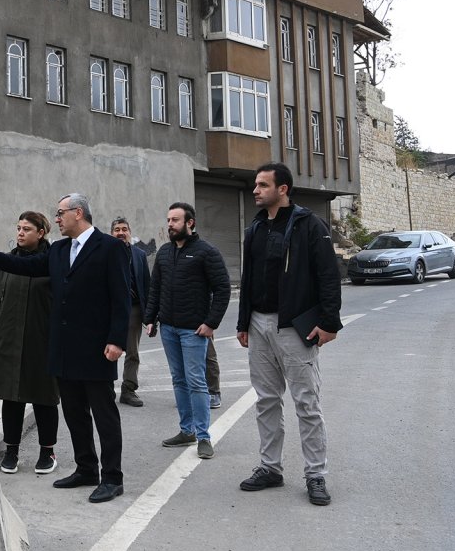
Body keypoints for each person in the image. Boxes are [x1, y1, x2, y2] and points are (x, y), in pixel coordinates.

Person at [0, 193, 130, 504]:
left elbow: (121, 297)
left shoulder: (110, 247)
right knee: (75, 413)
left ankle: (113, 477)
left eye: (61, 213)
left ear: (78, 213)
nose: (56, 219)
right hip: (63, 349)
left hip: (96, 348)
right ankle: (86, 468)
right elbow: (24, 266)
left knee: (104, 414)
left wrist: (117, 340)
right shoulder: (60, 250)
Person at [237, 162, 343, 506]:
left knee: (306, 404)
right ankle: (271, 468)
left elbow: (329, 275)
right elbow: (248, 278)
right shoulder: (254, 228)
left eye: (262, 185)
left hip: (295, 327)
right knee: (266, 401)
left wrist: (328, 323)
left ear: (282, 189)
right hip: (259, 324)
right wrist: (242, 323)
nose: (255, 190)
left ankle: (316, 475)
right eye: (255, 184)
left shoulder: (309, 225)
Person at [142, 203, 230, 460]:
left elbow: (223, 289)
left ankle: (203, 436)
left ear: (190, 223)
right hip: (168, 327)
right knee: (178, 380)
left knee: (196, 381)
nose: (170, 224)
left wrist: (211, 323)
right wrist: (150, 318)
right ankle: (186, 431)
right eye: (168, 220)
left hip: (194, 330)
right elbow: (155, 288)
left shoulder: (206, 252)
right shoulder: (165, 252)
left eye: (175, 220)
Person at [0, 211, 60, 476]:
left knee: (44, 398)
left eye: (27, 229)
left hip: (42, 341)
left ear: (41, 233)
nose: (20, 233)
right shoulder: (6, 262)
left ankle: (47, 451)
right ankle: (11, 451)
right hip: (9, 340)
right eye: (18, 228)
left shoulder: (53, 261)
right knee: (11, 398)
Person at [110, 217, 151, 408]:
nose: (120, 232)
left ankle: (129, 389)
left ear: (129, 232)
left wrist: (150, 316)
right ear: (112, 233)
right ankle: (107, 388)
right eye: (117, 229)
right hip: (109, 309)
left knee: (132, 352)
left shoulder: (139, 255)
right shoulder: (104, 253)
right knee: (108, 350)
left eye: (124, 229)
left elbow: (146, 285)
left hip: (134, 309)